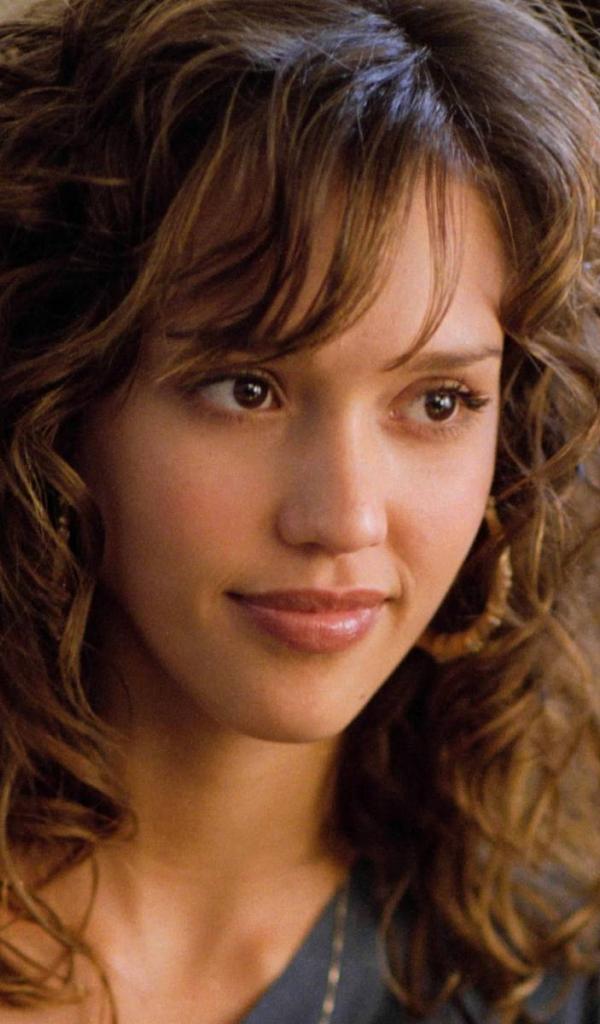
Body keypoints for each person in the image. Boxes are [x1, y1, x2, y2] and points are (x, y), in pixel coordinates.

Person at [0, 0, 599, 1021]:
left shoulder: (539, 980)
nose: (347, 519)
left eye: (438, 403)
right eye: (247, 389)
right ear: (60, 401)